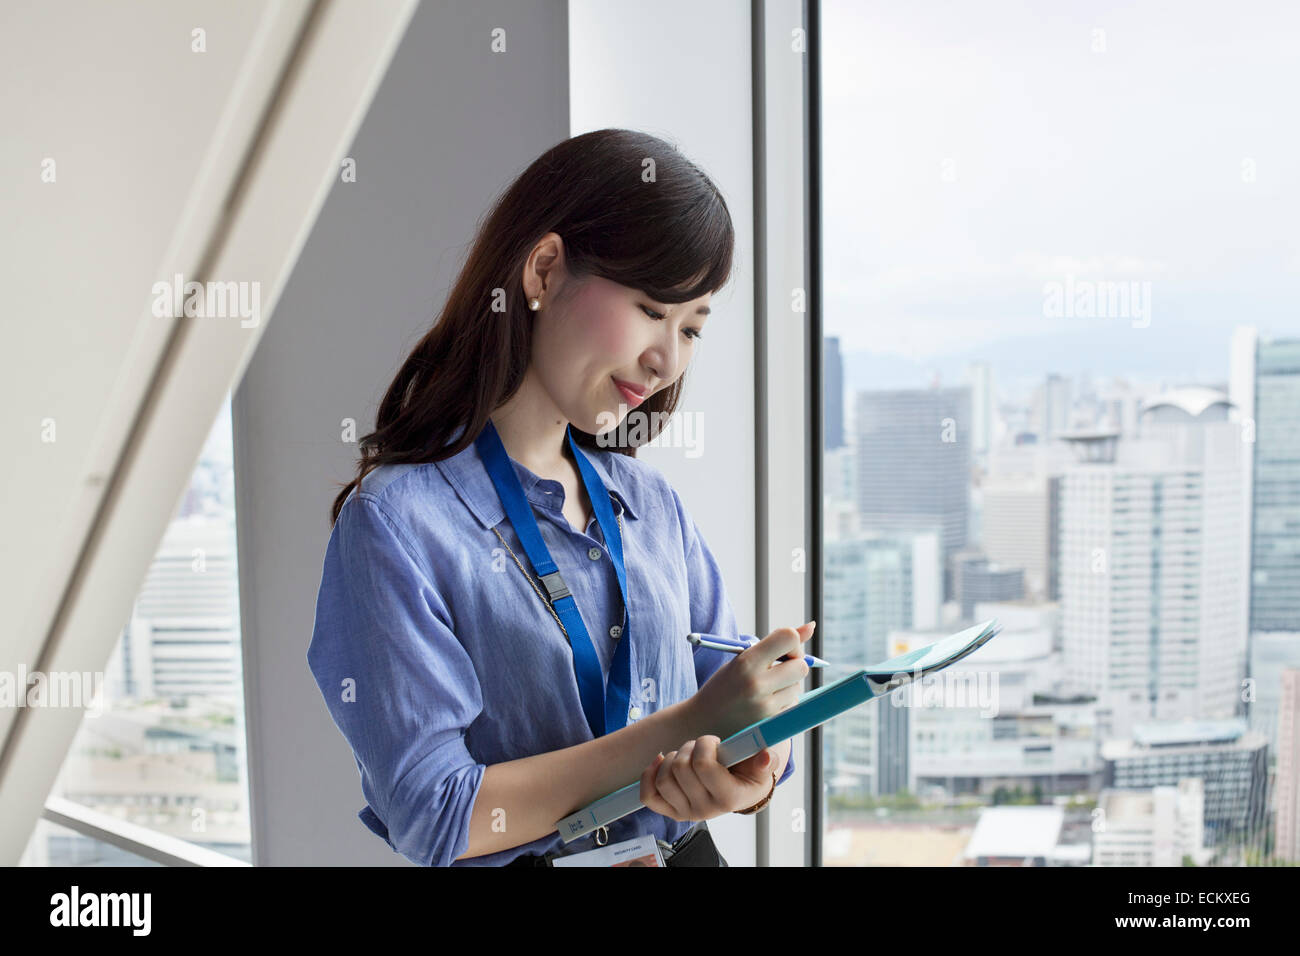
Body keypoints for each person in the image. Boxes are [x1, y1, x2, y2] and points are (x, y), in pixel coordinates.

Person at [306, 128, 814, 867]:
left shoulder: (650, 503)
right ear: (544, 270)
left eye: (692, 328)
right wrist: (682, 729)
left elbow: (738, 721)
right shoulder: (396, 523)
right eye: (650, 308)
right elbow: (433, 813)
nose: (666, 358)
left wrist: (740, 777)